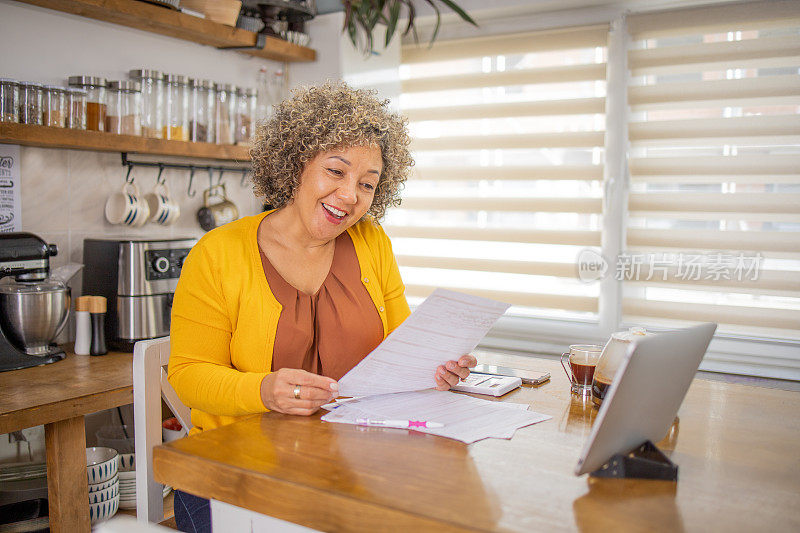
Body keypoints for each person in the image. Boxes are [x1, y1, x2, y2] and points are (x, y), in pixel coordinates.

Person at [167, 81, 476, 532]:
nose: (351, 196)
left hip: (348, 467)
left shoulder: (371, 241)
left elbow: (402, 348)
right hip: (234, 473)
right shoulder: (217, 254)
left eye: (367, 185)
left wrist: (435, 367)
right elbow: (188, 374)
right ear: (296, 163)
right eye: (336, 171)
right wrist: (264, 390)